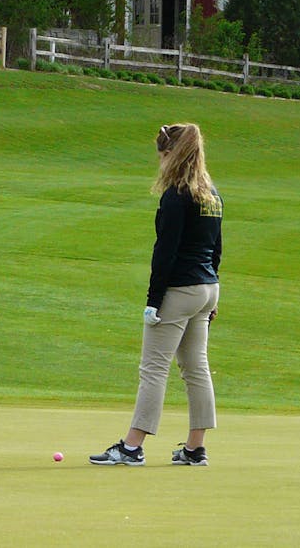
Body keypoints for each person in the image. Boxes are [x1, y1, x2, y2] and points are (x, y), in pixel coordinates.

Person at [90, 122, 221, 467]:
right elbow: (215, 248)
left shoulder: (176, 194)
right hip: (207, 288)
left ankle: (132, 447)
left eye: (163, 155)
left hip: (179, 290)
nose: (160, 162)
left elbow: (165, 252)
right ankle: (195, 449)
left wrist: (153, 300)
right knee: (196, 367)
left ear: (171, 154)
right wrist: (214, 296)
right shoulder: (212, 193)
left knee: (154, 368)